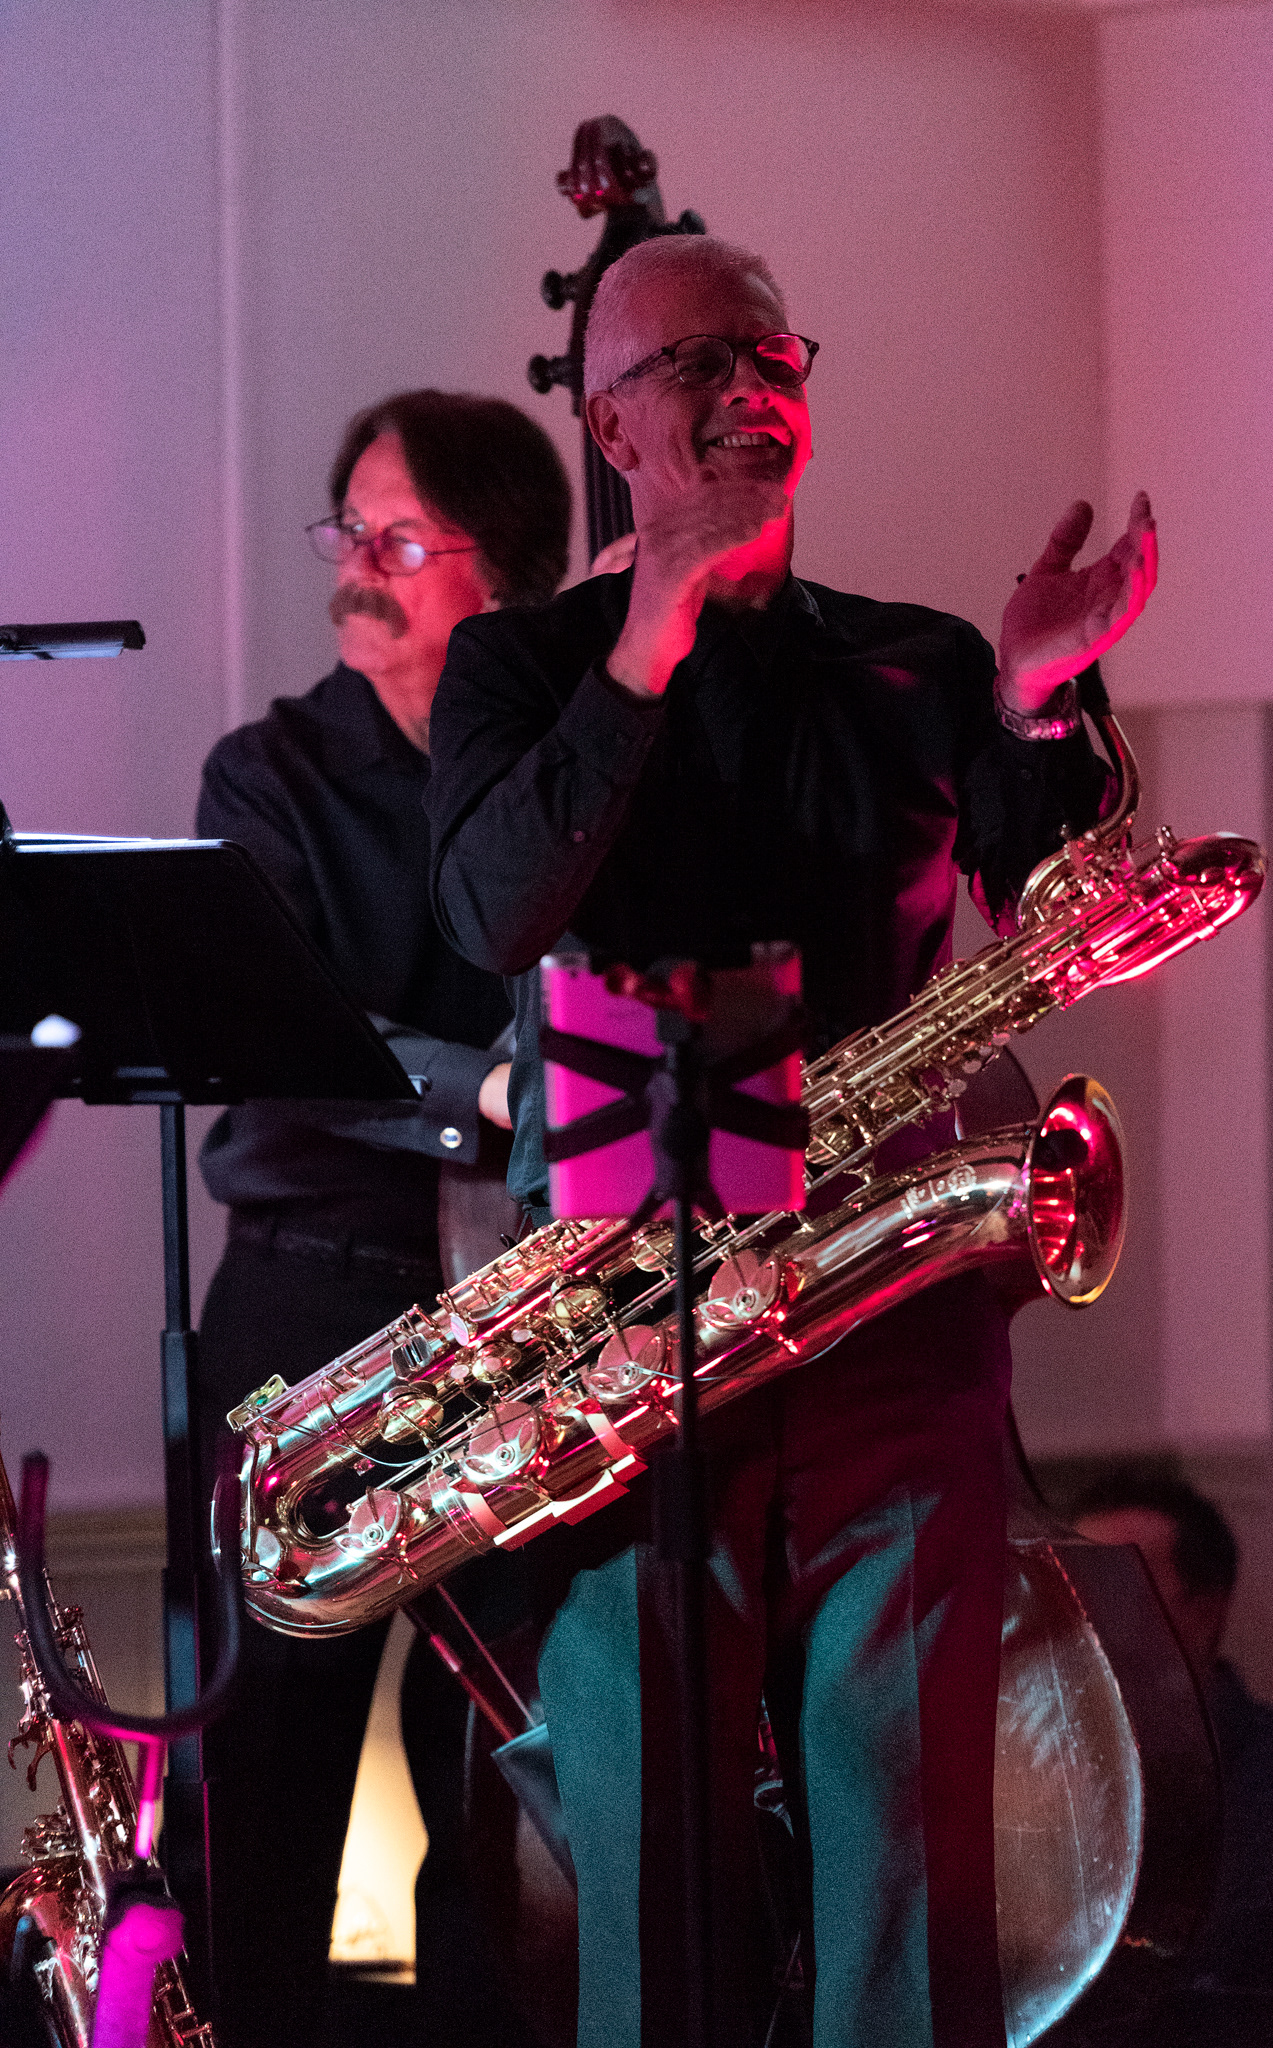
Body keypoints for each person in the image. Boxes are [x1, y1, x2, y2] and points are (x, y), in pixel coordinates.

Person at [423, 234, 1158, 2048]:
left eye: (773, 354)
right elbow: (493, 908)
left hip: (882, 1325)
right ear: (609, 424)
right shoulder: (516, 665)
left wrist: (1039, 700)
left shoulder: (915, 662)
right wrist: (645, 647)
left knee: (913, 1895)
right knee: (654, 1910)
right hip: (625, 1337)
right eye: (699, 362)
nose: (751, 385)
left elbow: (1052, 906)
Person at [194, 387, 570, 2048]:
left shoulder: (565, 759)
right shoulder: (267, 773)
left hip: (525, 1315)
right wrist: (491, 1094)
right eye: (345, 531)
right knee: (268, 1766)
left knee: (511, 1749)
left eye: (396, 539)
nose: (352, 566)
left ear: (508, 571)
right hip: (309, 1306)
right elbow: (281, 1030)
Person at [1073, 1470, 1273, 2040]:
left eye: (1117, 1589)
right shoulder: (1030, 1785)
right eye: (1073, 1586)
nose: (1086, 1616)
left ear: (1206, 1608)